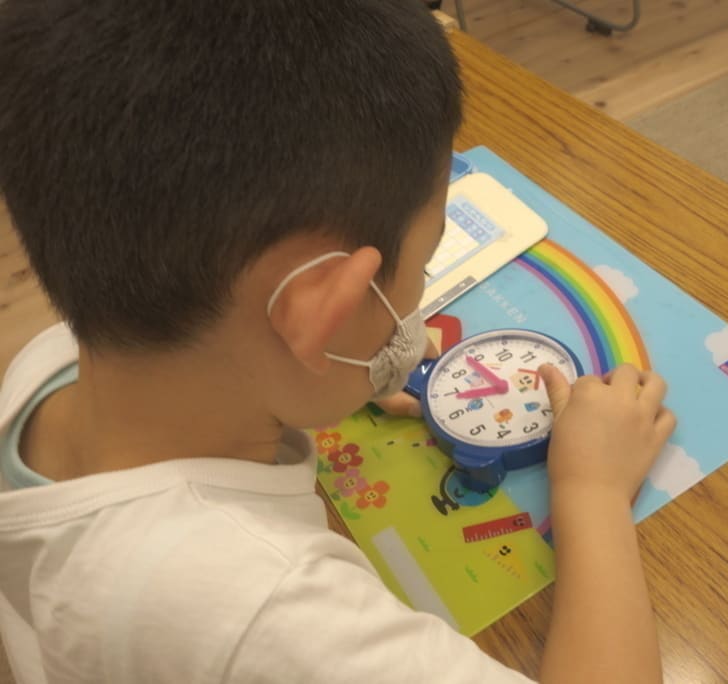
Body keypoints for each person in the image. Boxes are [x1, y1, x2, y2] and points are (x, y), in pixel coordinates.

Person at [0, 1, 676, 682]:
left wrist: (344, 369)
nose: (417, 296)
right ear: (325, 316)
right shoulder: (266, 612)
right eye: (424, 263)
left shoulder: (50, 363)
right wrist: (591, 490)